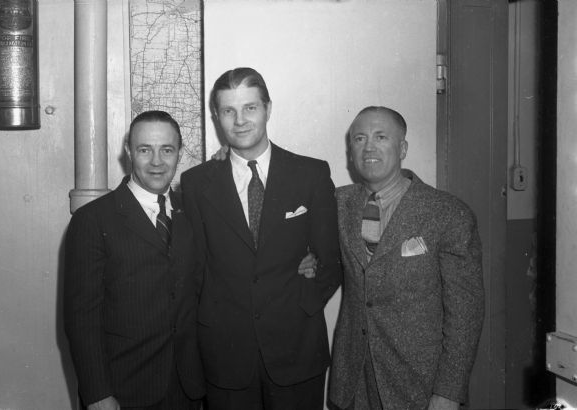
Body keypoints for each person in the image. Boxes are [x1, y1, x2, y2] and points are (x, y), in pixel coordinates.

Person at [180, 67, 342, 410]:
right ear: (216, 116)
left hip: (297, 352)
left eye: (250, 108)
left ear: (267, 108)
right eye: (228, 111)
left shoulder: (311, 174)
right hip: (225, 356)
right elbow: (194, 271)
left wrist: (303, 305)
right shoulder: (195, 183)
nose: (239, 120)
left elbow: (331, 259)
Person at [322, 106, 485, 410]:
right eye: (359, 139)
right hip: (354, 380)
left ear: (403, 148)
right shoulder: (338, 203)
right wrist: (228, 160)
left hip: (419, 384)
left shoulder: (448, 214)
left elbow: (466, 315)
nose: (368, 146)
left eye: (380, 137)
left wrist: (449, 391)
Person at [64, 110, 205, 410]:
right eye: (145, 150)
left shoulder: (192, 212)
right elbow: (81, 318)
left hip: (188, 388)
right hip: (124, 390)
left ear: (180, 153)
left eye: (167, 150)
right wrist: (97, 394)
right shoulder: (93, 219)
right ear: (129, 152)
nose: (157, 161)